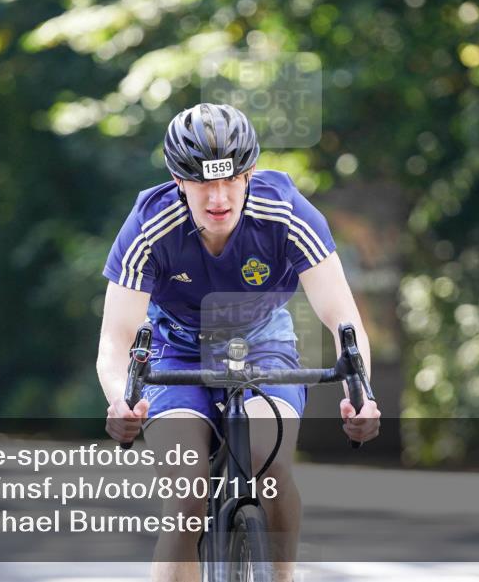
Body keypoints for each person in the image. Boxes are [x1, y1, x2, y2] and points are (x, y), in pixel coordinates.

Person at [96, 102, 380, 582]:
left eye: (231, 180)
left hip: (261, 342)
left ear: (250, 173)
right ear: (177, 179)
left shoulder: (286, 211)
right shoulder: (149, 226)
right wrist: (121, 402)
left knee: (269, 470)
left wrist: (362, 395)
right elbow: (116, 341)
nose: (219, 197)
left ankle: (282, 577)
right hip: (175, 349)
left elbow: (342, 318)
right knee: (186, 496)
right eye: (204, 183)